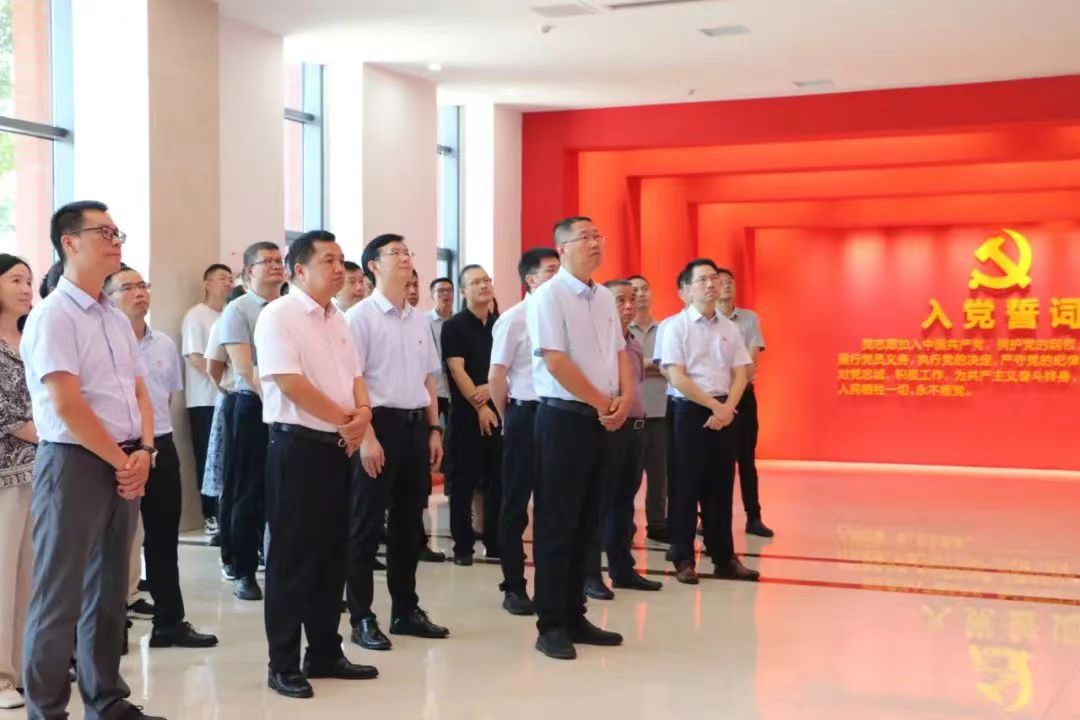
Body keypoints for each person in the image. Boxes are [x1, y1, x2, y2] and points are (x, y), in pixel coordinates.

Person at [21, 200, 164, 720]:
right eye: (104, 232)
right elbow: (67, 404)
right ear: (70, 242)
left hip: (126, 459)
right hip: (74, 462)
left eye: (117, 232)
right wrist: (122, 461)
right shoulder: (53, 316)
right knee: (58, 594)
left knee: (109, 593)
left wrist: (144, 451)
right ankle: (47, 709)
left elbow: (139, 392)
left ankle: (106, 700)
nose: (115, 240)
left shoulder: (114, 318)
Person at [254, 230, 378, 699]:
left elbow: (356, 376)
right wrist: (349, 420)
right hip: (297, 447)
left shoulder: (337, 318)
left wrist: (362, 415)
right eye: (328, 260)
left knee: (332, 554)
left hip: (338, 446)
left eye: (342, 260)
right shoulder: (279, 315)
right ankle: (283, 663)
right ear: (299, 270)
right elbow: (290, 383)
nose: (339, 268)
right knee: (292, 558)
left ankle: (325, 651)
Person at [525, 216, 632, 661]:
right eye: (584, 237)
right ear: (562, 248)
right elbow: (555, 360)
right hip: (564, 419)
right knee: (557, 524)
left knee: (589, 521)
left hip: (602, 420)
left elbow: (619, 351)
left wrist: (624, 399)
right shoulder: (548, 296)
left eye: (597, 235)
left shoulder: (604, 296)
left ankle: (575, 615)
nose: (594, 243)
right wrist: (602, 402)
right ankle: (550, 623)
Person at [344, 233, 449, 653]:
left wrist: (434, 429)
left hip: (414, 427)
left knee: (409, 526)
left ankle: (406, 610)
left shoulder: (419, 319)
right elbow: (351, 381)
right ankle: (361, 617)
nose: (405, 257)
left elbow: (428, 379)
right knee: (365, 526)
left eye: (407, 251)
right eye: (395, 253)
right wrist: (366, 436)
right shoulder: (360, 317)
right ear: (373, 266)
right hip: (377, 426)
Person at [107, 266, 218, 649]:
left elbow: (165, 399)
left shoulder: (164, 344)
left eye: (143, 285)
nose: (139, 292)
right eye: (128, 287)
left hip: (159, 446)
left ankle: (169, 622)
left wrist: (152, 443)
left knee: (163, 539)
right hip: (117, 449)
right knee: (112, 543)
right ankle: (110, 628)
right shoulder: (105, 343)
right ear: (108, 298)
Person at [661, 259, 759, 585]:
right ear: (686, 290)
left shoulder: (729, 327)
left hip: (724, 410)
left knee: (721, 486)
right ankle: (683, 557)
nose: (711, 285)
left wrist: (727, 408)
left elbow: (742, 373)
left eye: (714, 279)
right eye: (702, 279)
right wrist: (716, 408)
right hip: (688, 411)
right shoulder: (675, 327)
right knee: (684, 486)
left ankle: (723, 557)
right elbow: (677, 377)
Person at [488, 248, 559, 616]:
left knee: (554, 503)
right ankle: (514, 585)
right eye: (551, 271)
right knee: (515, 504)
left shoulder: (562, 315)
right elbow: (496, 375)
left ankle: (552, 584)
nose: (559, 277)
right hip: (524, 413)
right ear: (531, 280)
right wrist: (508, 417)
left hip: (557, 415)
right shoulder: (514, 319)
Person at [585, 280, 663, 599]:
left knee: (623, 504)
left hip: (636, 429)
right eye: (621, 300)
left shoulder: (633, 343)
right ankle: (590, 575)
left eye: (632, 299)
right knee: (599, 504)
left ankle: (622, 569)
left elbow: (637, 386)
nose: (629, 305)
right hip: (610, 428)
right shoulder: (596, 342)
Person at [218, 241, 285, 601]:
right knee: (248, 490)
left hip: (289, 409)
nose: (275, 266)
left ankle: (280, 564)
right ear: (248, 271)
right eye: (266, 261)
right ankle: (243, 569)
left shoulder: (290, 307)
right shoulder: (238, 310)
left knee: (284, 492)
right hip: (253, 406)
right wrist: (277, 402)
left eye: (279, 260)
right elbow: (245, 368)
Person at [442, 264, 502, 565]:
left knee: (497, 481)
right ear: (464, 291)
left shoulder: (500, 324)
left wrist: (491, 391)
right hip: (466, 414)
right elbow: (456, 369)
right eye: (476, 282)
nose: (484, 285)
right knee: (463, 483)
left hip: (499, 409)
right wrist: (480, 406)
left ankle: (495, 541)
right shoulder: (454, 326)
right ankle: (463, 547)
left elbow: (510, 367)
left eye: (487, 280)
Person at [0, 255, 36, 710]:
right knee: (2, 572)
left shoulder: (32, 339)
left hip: (41, 470)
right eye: (15, 280)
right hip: (5, 473)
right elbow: (6, 414)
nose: (27, 288)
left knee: (31, 572)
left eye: (29, 280)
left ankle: (25, 665)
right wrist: (60, 435)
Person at [716, 269, 773, 538]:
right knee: (716, 461)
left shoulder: (749, 319)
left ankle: (754, 517)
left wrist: (728, 375)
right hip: (714, 398)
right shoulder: (706, 321)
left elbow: (750, 366)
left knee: (746, 460)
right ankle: (711, 518)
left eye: (730, 281)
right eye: (720, 282)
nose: (726, 285)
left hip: (744, 397)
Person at [181, 263, 233, 537]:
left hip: (229, 399)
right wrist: (223, 380)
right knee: (207, 455)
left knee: (228, 457)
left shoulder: (231, 314)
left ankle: (226, 512)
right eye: (222, 278)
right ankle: (210, 515)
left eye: (230, 278)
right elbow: (195, 357)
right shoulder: (196, 316)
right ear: (207, 283)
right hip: (205, 400)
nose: (228, 283)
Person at [201, 285, 245, 560]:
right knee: (233, 478)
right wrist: (229, 392)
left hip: (267, 405)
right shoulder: (224, 323)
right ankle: (232, 554)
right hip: (235, 399)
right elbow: (213, 369)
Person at [628, 275, 670, 543]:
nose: (641, 293)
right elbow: (624, 365)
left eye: (645, 288)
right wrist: (654, 364)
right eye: (635, 290)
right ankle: (625, 524)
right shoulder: (620, 328)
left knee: (659, 474)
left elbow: (672, 365)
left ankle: (657, 523)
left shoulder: (665, 329)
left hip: (660, 410)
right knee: (627, 474)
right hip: (629, 412)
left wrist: (641, 364)